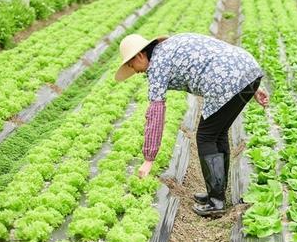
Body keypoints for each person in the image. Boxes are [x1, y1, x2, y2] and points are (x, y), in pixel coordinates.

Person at [115, 33, 269, 216]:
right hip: (248, 70)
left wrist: (149, 159)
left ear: (140, 55)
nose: (136, 72)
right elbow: (219, 54)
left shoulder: (156, 65)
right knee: (218, 133)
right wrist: (252, 86)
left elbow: (155, 114)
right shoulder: (170, 46)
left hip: (227, 81)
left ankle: (216, 202)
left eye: (132, 66)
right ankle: (217, 194)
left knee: (206, 136)